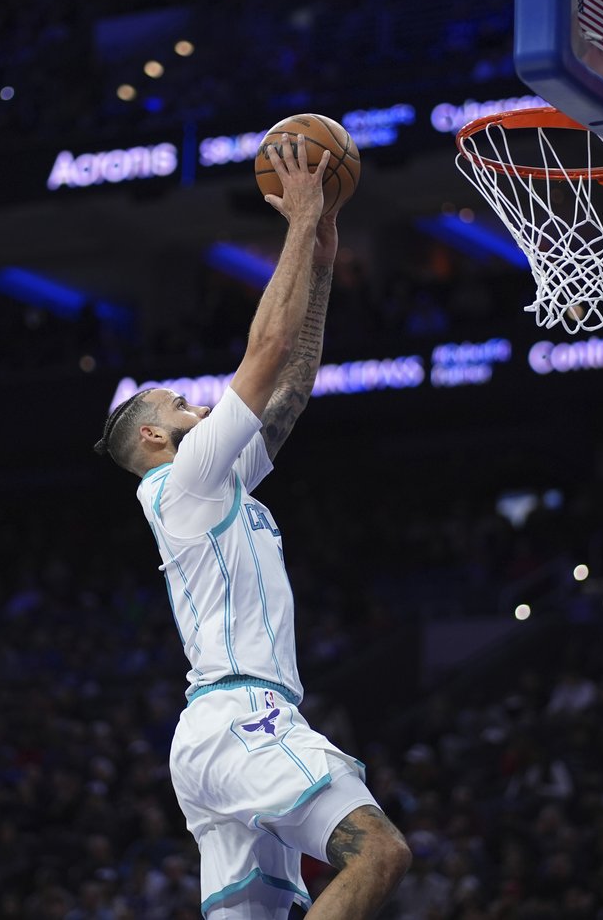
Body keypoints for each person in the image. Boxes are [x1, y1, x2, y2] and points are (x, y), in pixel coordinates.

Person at [94, 134, 410, 919]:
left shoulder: (214, 482)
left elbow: (294, 378)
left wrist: (324, 256)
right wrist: (300, 221)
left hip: (219, 733)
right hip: (239, 718)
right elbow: (265, 349)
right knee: (381, 850)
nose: (200, 406)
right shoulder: (188, 478)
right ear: (155, 439)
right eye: (181, 405)